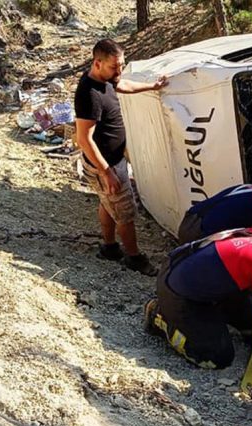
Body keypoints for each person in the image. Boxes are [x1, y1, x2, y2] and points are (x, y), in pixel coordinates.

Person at [143, 195, 252, 369]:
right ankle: (159, 317)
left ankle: (201, 315)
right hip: (178, 294)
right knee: (217, 357)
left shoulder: (245, 233)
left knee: (248, 323)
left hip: (175, 271)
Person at [74, 39, 167, 276]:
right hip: (105, 164)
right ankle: (135, 258)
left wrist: (152, 87)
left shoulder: (107, 80)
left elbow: (123, 84)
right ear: (97, 63)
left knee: (109, 203)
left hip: (112, 160)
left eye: (122, 65)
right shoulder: (89, 93)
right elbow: (83, 139)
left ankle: (109, 248)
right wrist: (107, 172)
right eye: (114, 67)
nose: (119, 71)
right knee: (125, 212)